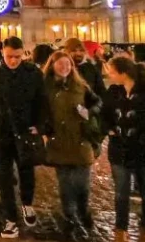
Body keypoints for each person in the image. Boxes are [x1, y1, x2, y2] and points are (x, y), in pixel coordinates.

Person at [0, 36, 46, 239]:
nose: (13, 61)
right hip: (0, 131)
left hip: (25, 130)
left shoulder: (33, 74)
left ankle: (27, 203)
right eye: (9, 57)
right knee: (4, 177)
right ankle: (10, 219)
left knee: (26, 171)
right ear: (3, 53)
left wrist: (40, 127)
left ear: (24, 53)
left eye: (17, 56)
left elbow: (42, 102)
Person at [102, 57, 145, 242]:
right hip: (120, 151)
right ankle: (120, 230)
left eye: (112, 72)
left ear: (123, 73)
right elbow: (104, 114)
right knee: (121, 193)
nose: (110, 75)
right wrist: (108, 128)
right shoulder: (114, 91)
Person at [41, 51, 100, 240]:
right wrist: (44, 129)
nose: (64, 67)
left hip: (81, 141)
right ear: (52, 66)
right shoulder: (45, 87)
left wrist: (88, 113)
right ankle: (70, 217)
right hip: (59, 142)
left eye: (67, 64)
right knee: (65, 185)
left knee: (82, 185)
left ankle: (84, 212)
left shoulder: (80, 85)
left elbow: (97, 103)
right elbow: (38, 110)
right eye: (60, 64)